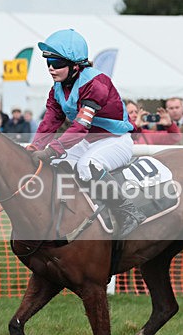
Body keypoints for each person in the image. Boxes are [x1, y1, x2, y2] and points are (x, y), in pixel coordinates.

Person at [29, 28, 145, 239]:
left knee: (87, 165)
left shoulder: (96, 83)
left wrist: (51, 150)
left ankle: (128, 211)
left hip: (116, 140)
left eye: (57, 63)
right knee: (55, 164)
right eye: (48, 62)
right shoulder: (57, 87)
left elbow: (80, 127)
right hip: (90, 141)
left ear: (75, 66)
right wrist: (35, 146)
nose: (51, 68)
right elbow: (51, 120)